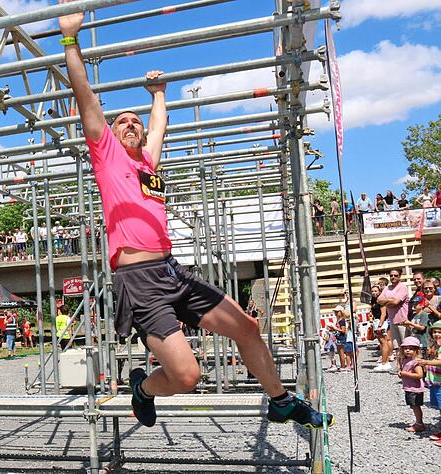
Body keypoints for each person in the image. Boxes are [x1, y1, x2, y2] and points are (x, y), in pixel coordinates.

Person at [59, 3, 332, 429]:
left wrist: (160, 96)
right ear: (109, 135)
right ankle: (143, 388)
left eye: (135, 122)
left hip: (171, 271)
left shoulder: (148, 163)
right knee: (187, 377)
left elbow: (159, 127)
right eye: (121, 122)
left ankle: (279, 400)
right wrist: (71, 42)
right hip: (139, 281)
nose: (130, 125)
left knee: (247, 326)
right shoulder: (107, 158)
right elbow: (86, 100)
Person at [417, 321, 441, 445]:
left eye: (439, 332)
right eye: (435, 332)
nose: (437, 334)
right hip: (435, 382)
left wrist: (426, 363)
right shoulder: (434, 346)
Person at [397, 336, 427, 433]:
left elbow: (419, 375)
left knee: (416, 406)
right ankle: (418, 422)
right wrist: (400, 373)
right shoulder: (405, 360)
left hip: (415, 388)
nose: (408, 351)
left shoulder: (415, 362)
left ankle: (419, 424)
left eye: (411, 349)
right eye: (406, 348)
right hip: (409, 387)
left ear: (416, 350)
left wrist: (406, 374)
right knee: (413, 406)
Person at [378, 268, 409, 357]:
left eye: (395, 275)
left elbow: (396, 302)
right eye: (391, 275)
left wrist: (386, 302)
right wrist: (390, 301)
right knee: (397, 347)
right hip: (392, 320)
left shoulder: (402, 287)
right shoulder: (388, 287)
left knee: (406, 346)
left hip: (402, 321)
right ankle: (400, 368)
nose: (393, 277)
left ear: (400, 276)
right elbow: (379, 300)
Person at [406, 281, 436, 355]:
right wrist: (407, 324)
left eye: (417, 303)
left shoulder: (424, 314)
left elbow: (422, 328)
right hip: (416, 341)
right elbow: (412, 328)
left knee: (425, 359)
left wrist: (410, 323)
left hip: (424, 342)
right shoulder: (414, 315)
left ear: (422, 305)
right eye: (414, 303)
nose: (415, 305)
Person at [370, 285, 392, 372]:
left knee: (384, 342)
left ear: (379, 292)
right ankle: (385, 361)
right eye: (373, 291)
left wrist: (380, 325)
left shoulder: (381, 301)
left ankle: (384, 362)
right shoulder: (375, 301)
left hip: (381, 322)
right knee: (381, 342)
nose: (374, 293)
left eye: (376, 291)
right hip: (376, 321)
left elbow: (383, 313)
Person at [328, 306, 353, 371]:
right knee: (340, 352)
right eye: (335, 312)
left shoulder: (342, 321)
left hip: (341, 338)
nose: (335, 313)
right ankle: (343, 365)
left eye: (337, 312)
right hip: (338, 337)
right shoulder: (339, 320)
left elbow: (343, 330)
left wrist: (335, 328)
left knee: (341, 353)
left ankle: (343, 366)